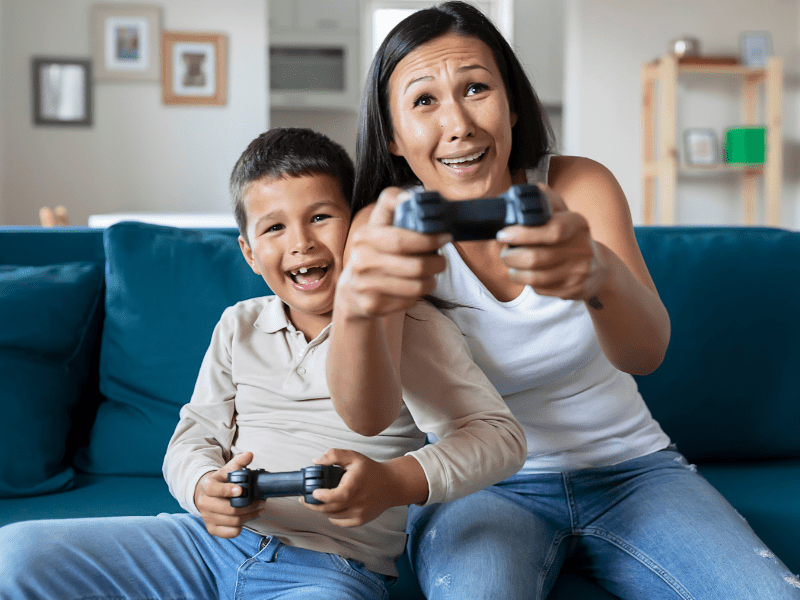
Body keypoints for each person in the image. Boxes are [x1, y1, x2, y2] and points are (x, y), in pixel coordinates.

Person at [326, 3, 800, 599]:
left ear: (514, 104)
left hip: (633, 470)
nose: (459, 124)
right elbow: (366, 417)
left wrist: (597, 273)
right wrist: (358, 308)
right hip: (483, 487)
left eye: (476, 88)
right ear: (393, 134)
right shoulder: (385, 225)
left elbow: (645, 353)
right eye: (424, 101)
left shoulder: (578, 187)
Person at [0, 127, 525, 600]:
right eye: (274, 228)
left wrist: (394, 481)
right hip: (205, 548)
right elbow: (193, 437)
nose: (301, 243)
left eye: (320, 217)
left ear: (356, 226)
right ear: (249, 254)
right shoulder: (239, 325)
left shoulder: (408, 324)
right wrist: (203, 485)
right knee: (16, 554)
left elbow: (498, 435)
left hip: (329, 570)